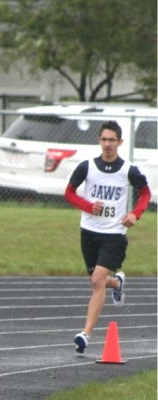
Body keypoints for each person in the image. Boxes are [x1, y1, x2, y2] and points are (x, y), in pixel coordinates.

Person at [64, 120, 151, 354]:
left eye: (112, 140)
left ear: (120, 142)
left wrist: (135, 213)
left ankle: (85, 334)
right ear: (98, 141)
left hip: (114, 234)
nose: (108, 144)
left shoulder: (128, 170)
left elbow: (145, 193)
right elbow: (69, 193)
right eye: (104, 139)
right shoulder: (87, 167)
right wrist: (88, 205)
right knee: (98, 279)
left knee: (96, 280)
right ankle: (117, 283)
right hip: (90, 232)